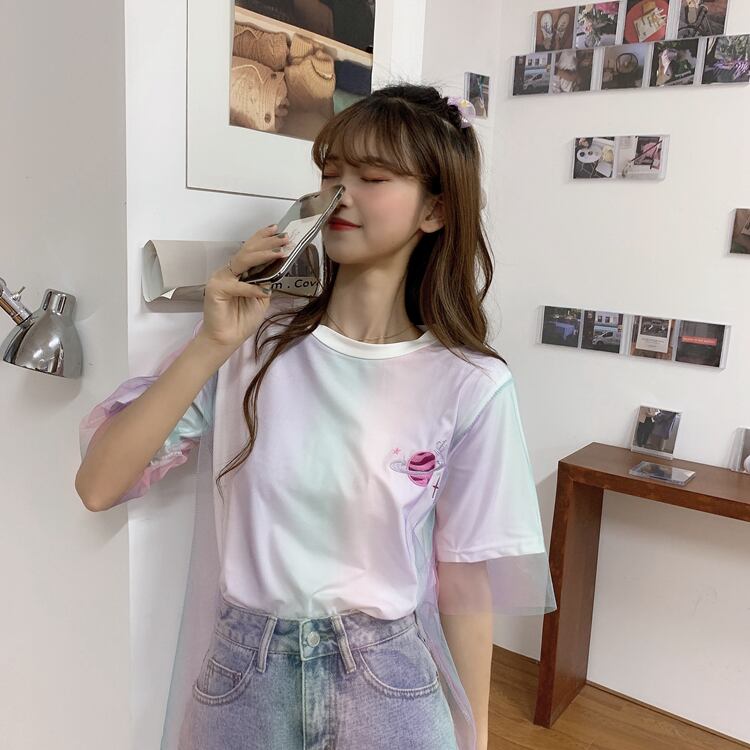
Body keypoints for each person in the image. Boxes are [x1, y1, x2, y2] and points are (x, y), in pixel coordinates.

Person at [76, 83, 555, 750]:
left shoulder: (470, 384)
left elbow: (466, 581)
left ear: (436, 210)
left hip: (389, 681)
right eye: (331, 174)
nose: (340, 195)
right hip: (245, 675)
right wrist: (212, 342)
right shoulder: (254, 347)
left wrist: (474, 737)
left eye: (372, 177)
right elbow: (99, 485)